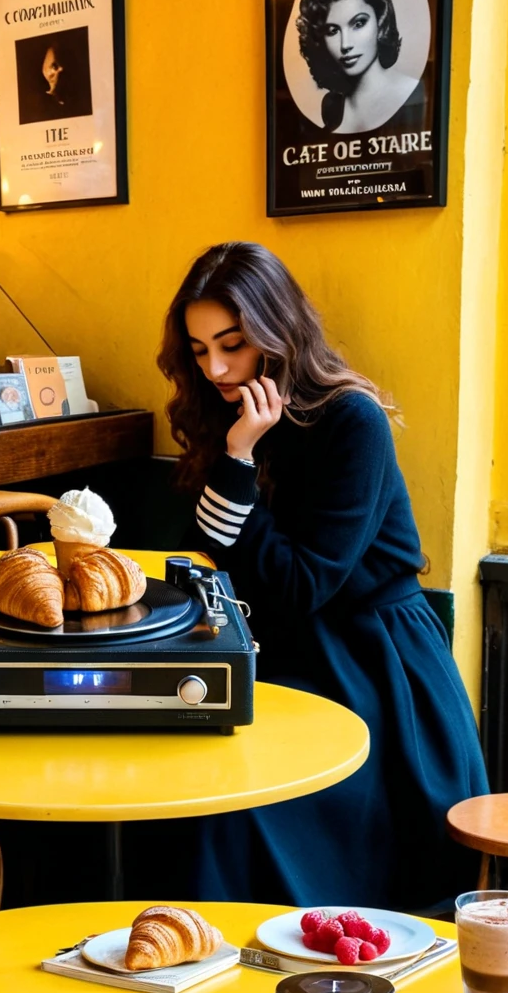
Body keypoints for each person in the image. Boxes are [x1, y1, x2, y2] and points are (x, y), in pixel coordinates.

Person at [156, 241, 488, 911]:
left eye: (233, 344)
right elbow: (201, 552)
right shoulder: (226, 415)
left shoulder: (350, 420)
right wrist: (233, 455)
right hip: (278, 656)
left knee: (235, 807)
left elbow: (303, 586)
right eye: (198, 350)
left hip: (374, 669)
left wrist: (238, 459)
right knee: (174, 778)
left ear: (276, 333)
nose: (216, 367)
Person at [296, 0, 413, 134]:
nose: (346, 44)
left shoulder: (413, 95)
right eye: (333, 30)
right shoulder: (331, 107)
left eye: (358, 23)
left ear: (380, 21)